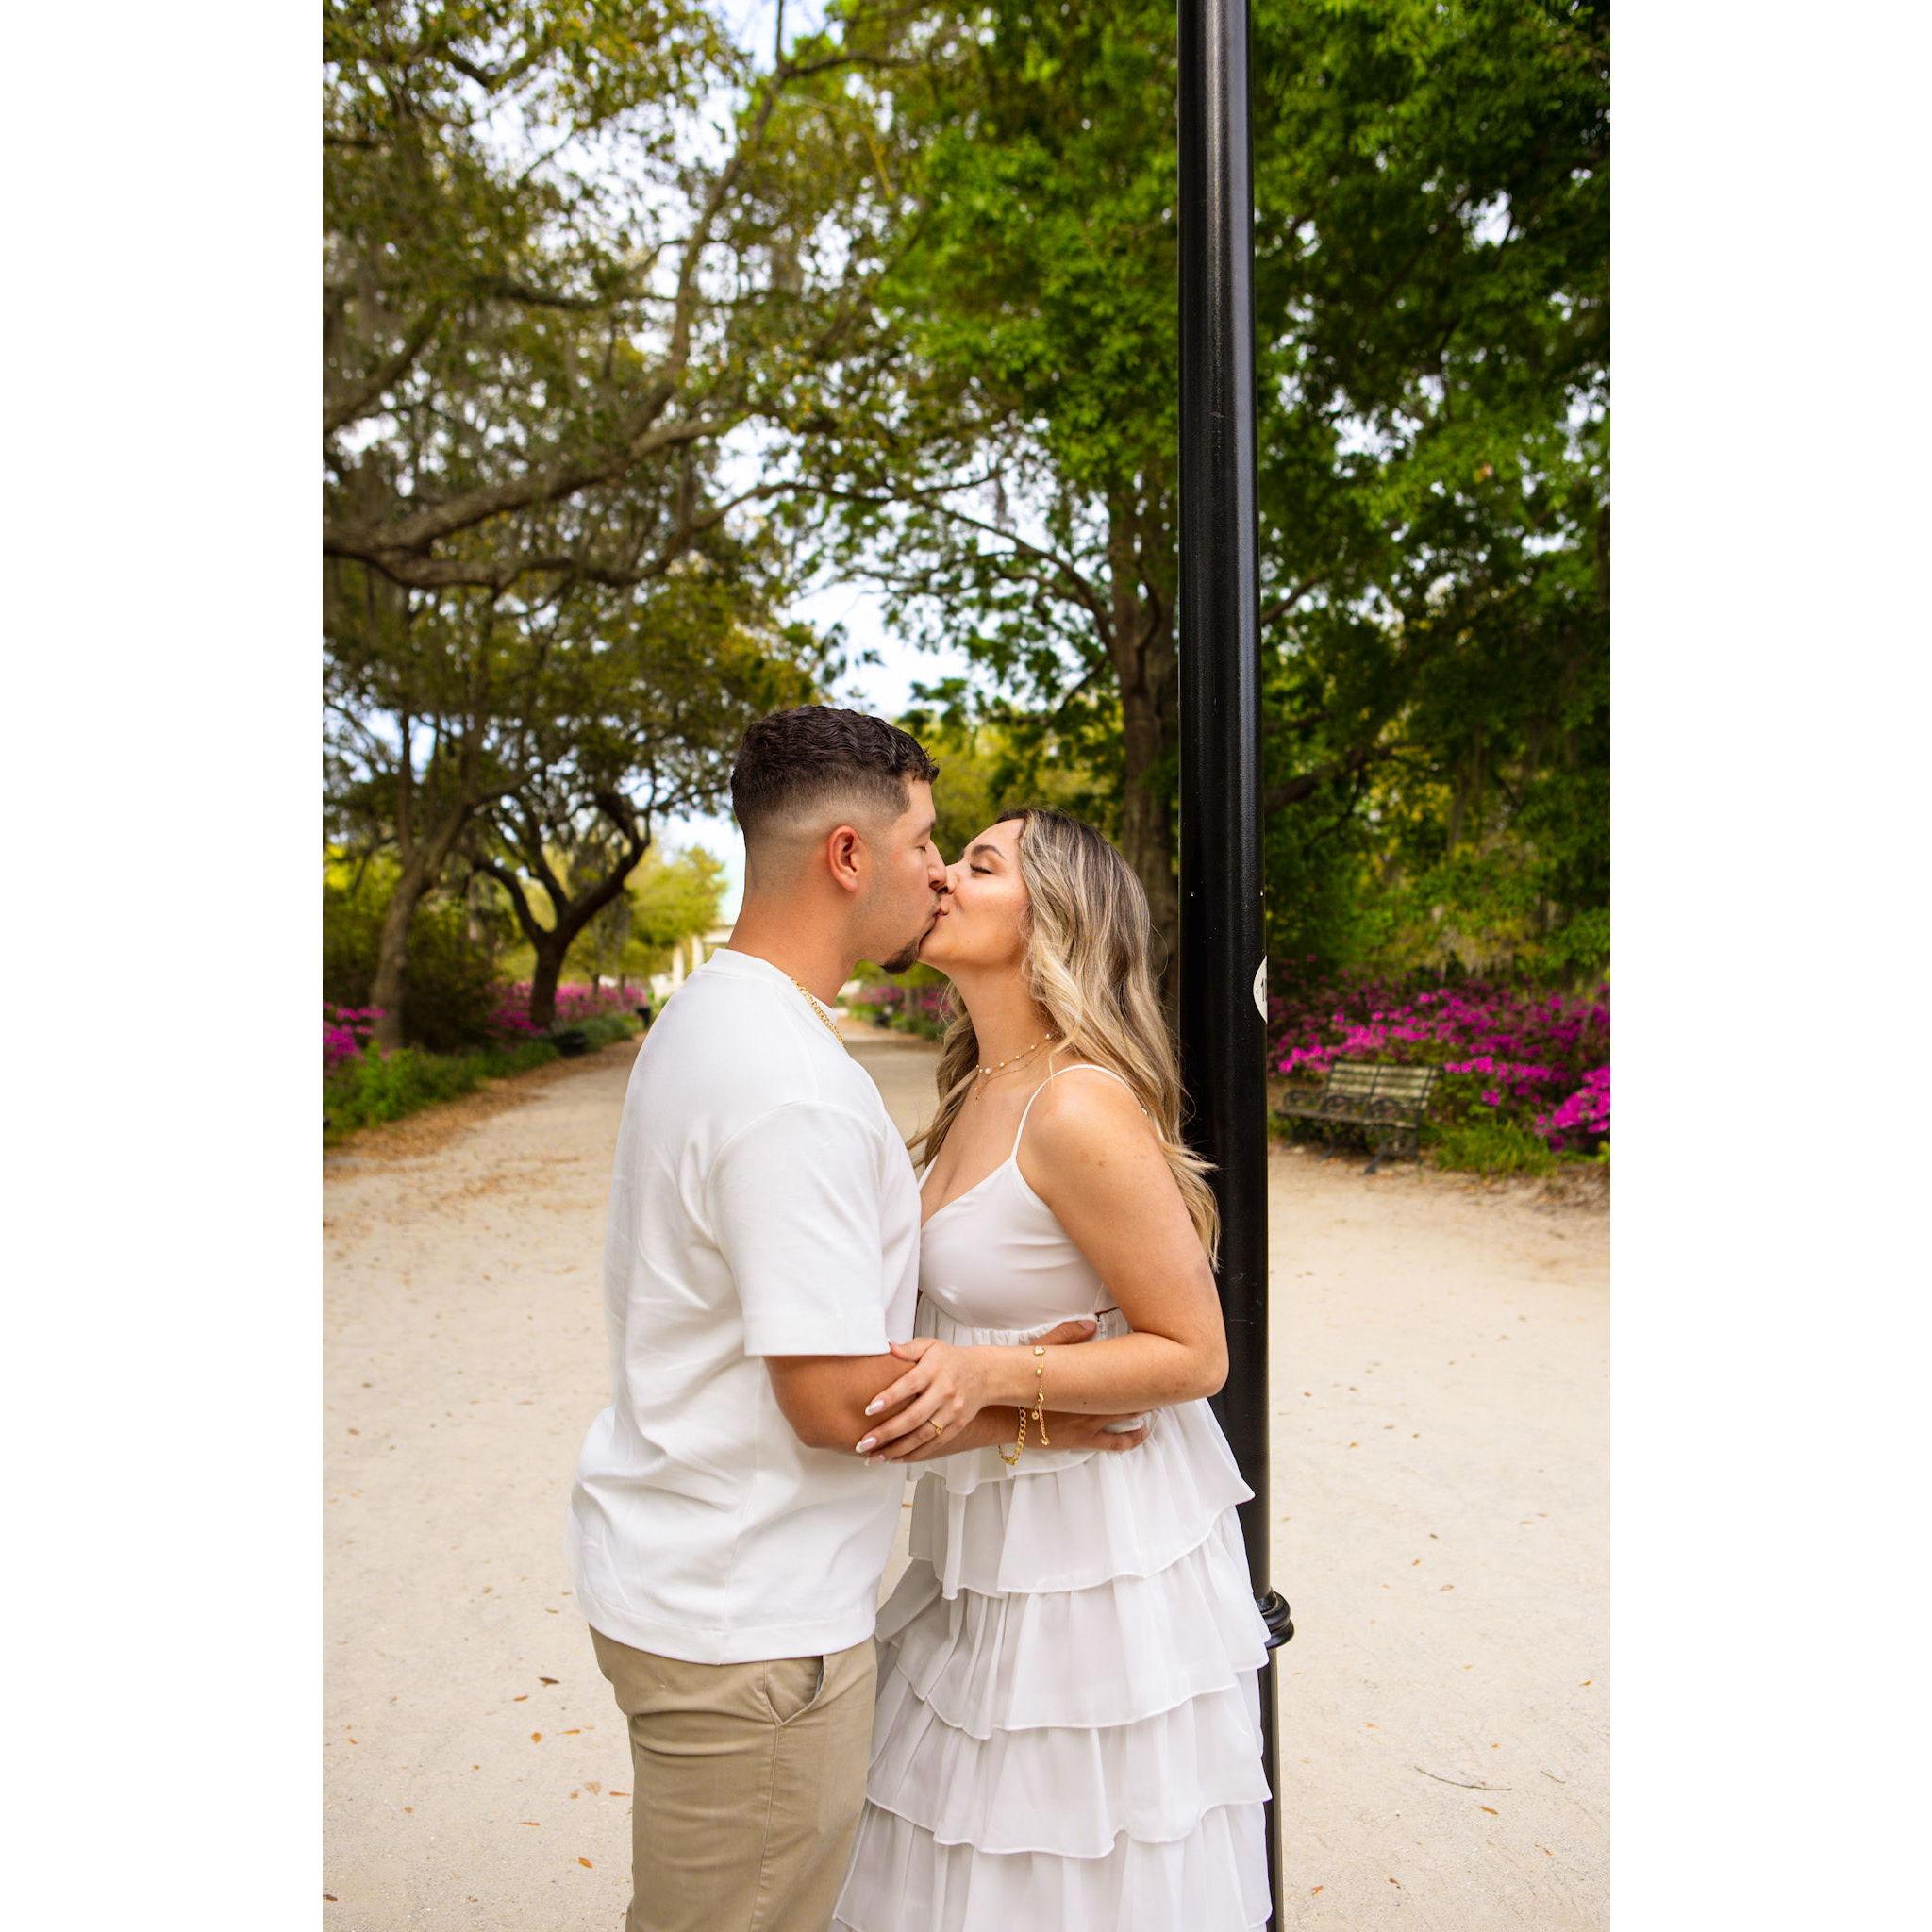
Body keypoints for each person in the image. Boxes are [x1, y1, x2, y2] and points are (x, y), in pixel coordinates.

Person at [566, 709, 1148, 1932]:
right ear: (846, 855)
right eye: (928, 841)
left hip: (695, 1589)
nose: (937, 872)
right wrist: (1016, 1398)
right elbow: (832, 1402)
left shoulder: (706, 1018)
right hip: (752, 1632)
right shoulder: (795, 1088)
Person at [833, 805, 1273, 1930]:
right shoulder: (974, 1087)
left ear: (1055, 920)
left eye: (978, 864)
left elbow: (1193, 1351)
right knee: (951, 1828)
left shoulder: (1076, 1102)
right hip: (986, 1531)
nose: (940, 877)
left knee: (1059, 1856)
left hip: (1096, 1548)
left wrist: (991, 1380)